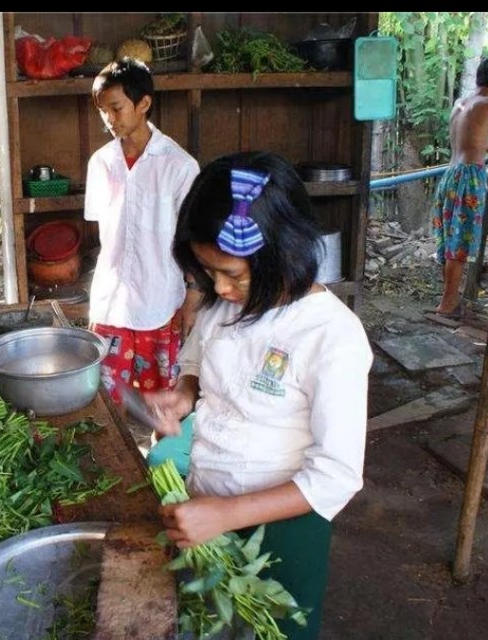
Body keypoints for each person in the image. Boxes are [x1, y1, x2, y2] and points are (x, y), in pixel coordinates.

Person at [143, 151, 374, 639]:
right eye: (209, 274)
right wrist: (184, 395)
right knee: (210, 622)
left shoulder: (332, 335)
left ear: (284, 253)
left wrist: (225, 515)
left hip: (286, 529)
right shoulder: (225, 305)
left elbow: (336, 476)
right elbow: (197, 361)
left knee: (273, 628)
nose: (220, 289)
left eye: (235, 275)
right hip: (205, 500)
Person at [84, 57, 201, 406]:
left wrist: (193, 296)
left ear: (144, 103)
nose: (109, 119)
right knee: (105, 403)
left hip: (160, 303)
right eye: (103, 111)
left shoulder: (179, 166)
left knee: (162, 406)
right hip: (110, 305)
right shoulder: (101, 163)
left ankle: (158, 457)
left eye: (116, 108)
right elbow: (104, 234)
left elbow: (192, 240)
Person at [432, 53, 488, 317]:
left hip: (450, 175)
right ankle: (448, 303)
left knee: (450, 242)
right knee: (459, 245)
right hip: (469, 178)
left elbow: (470, 138)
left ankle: (449, 298)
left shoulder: (463, 103)